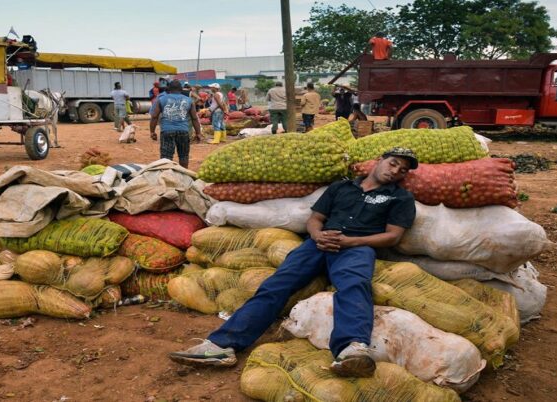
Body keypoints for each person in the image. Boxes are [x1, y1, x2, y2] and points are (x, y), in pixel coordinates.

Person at [169, 147, 419, 378]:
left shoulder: (400, 197)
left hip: (357, 247)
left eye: (402, 170)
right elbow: (315, 218)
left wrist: (349, 242)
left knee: (354, 285)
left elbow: (393, 236)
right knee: (276, 285)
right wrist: (317, 235)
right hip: (318, 244)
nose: (395, 171)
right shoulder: (340, 187)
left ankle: (352, 350)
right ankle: (222, 346)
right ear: (378, 162)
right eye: (393, 163)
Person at [150, 79, 203, 168]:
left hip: (167, 131)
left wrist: (152, 131)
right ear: (181, 89)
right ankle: (184, 175)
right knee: (183, 156)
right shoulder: (189, 100)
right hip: (183, 131)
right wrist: (198, 133)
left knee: (166, 157)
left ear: (169, 89)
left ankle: (166, 176)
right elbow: (194, 118)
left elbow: (154, 116)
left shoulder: (161, 99)